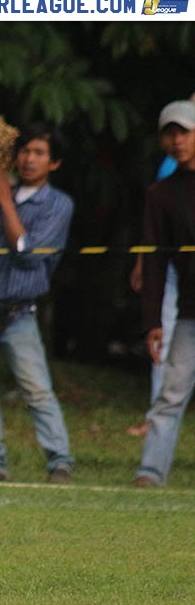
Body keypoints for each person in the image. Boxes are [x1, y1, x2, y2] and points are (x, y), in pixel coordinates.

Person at [0, 123, 74, 484]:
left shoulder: (57, 204)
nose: (29, 159)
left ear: (54, 163)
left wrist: (6, 201)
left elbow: (28, 255)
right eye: (24, 151)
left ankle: (60, 462)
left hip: (18, 310)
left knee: (37, 390)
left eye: (39, 153)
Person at [134, 100, 195, 488]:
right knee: (170, 395)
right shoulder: (161, 194)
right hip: (189, 312)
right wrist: (153, 321)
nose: (176, 140)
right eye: (170, 133)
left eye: (184, 132)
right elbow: (154, 260)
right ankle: (150, 472)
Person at [127, 146, 184, 436]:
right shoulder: (170, 165)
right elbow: (156, 223)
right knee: (162, 337)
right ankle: (156, 421)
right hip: (173, 269)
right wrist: (143, 260)